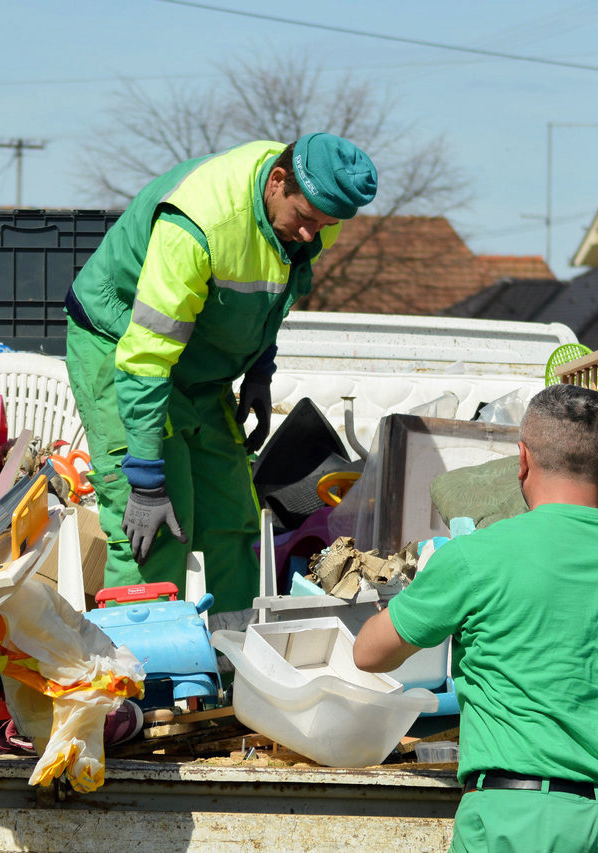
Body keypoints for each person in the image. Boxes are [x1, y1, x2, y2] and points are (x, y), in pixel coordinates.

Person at [64, 132, 377, 620]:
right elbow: (147, 355)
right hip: (122, 343)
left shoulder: (313, 212)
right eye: (306, 220)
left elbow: (278, 288)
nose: (313, 235)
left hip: (197, 358)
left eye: (327, 224)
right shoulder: (198, 223)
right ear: (277, 182)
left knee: (232, 519)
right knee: (157, 524)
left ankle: (232, 667)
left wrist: (259, 368)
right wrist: (145, 478)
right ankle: (138, 682)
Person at [354, 383, 598, 852]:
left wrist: (420, 589)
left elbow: (368, 654)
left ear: (521, 460)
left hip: (516, 821)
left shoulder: (477, 556)